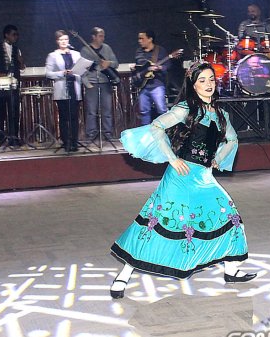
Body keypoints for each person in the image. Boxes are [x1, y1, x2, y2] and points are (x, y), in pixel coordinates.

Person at [109, 62, 255, 299]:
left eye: (211, 79)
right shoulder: (185, 109)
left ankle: (231, 271)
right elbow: (157, 127)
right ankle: (124, 275)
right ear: (193, 85)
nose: (208, 84)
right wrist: (172, 158)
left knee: (229, 217)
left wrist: (218, 159)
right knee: (156, 225)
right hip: (180, 177)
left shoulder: (221, 114)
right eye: (202, 80)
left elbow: (233, 140)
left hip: (204, 178)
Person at [0, 24, 26, 147]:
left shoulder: (17, 50)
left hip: (13, 86)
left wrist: (21, 62)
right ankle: (1, 139)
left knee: (14, 113)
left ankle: (14, 139)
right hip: (0, 87)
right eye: (14, 34)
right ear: (6, 35)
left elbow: (22, 69)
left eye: (17, 35)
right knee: (1, 112)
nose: (16, 37)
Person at [45, 30, 83, 152]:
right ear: (57, 41)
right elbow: (48, 73)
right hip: (62, 88)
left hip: (74, 87)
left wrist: (78, 71)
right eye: (61, 40)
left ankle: (74, 142)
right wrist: (62, 73)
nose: (64, 42)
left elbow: (82, 69)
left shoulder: (76, 54)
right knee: (64, 117)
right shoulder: (53, 55)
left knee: (74, 116)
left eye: (66, 39)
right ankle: (66, 141)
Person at [80, 27, 120, 141]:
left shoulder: (107, 48)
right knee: (91, 110)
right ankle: (91, 134)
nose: (102, 38)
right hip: (92, 82)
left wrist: (109, 63)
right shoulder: (85, 50)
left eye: (103, 36)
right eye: (100, 36)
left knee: (107, 109)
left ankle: (108, 133)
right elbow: (82, 69)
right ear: (94, 37)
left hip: (105, 82)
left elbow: (116, 63)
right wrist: (87, 83)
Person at [132, 30, 169, 125]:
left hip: (157, 85)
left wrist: (160, 67)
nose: (139, 41)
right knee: (144, 111)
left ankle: (165, 129)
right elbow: (140, 66)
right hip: (143, 85)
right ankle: (146, 131)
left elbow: (168, 66)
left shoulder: (160, 51)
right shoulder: (139, 52)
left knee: (162, 110)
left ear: (150, 39)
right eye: (139, 39)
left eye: (142, 38)